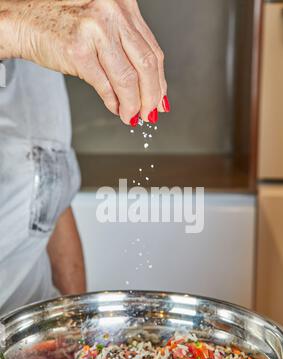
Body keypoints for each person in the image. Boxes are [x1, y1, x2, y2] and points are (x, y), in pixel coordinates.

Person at [0, 0, 169, 315]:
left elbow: (50, 187)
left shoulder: (43, 42)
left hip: (27, 335)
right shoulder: (32, 24)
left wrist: (74, 326)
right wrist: (18, 26)